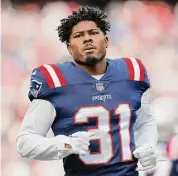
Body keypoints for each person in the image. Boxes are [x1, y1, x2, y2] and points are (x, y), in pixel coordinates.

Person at [16, 6, 158, 176]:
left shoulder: (132, 71)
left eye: (93, 33)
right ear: (69, 48)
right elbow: (25, 142)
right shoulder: (54, 80)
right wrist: (65, 145)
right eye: (78, 36)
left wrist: (147, 145)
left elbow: (145, 123)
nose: (87, 39)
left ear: (106, 40)